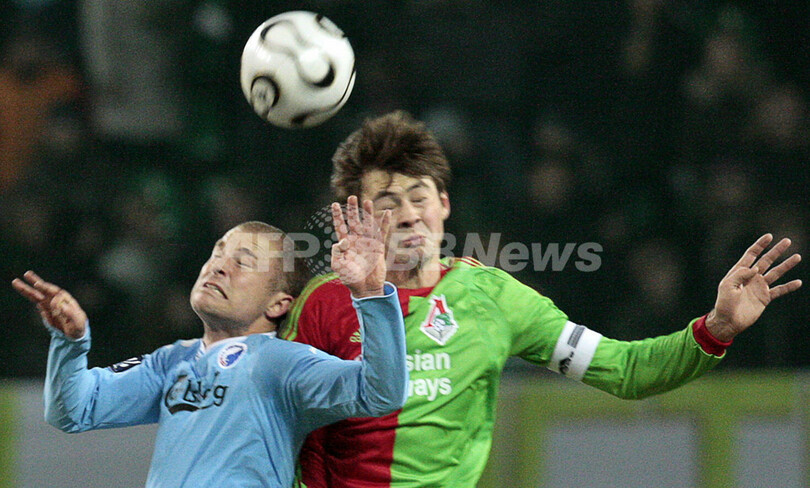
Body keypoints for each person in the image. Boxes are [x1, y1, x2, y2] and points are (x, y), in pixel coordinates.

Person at [282, 110, 803, 487]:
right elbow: (278, 419)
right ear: (358, 217)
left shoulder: (493, 299)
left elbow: (625, 370)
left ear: (444, 204)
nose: (408, 214)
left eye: (419, 197)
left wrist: (717, 328)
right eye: (387, 202)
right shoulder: (324, 303)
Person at [12, 198, 408, 488]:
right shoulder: (171, 361)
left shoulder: (282, 363)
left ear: (278, 303)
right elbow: (73, 410)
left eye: (243, 262)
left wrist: (370, 295)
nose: (218, 266)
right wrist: (71, 343)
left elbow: (380, 393)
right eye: (218, 253)